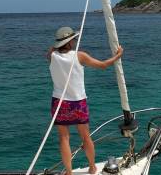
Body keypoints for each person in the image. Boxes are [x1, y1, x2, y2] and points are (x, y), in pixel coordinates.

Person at [47, 26, 123, 175]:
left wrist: (60, 43)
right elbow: (103, 65)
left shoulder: (51, 55)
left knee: (64, 138)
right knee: (85, 136)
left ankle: (69, 172)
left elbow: (53, 49)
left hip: (60, 102)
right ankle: (92, 166)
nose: (75, 41)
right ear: (69, 42)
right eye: (73, 39)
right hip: (78, 102)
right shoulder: (79, 56)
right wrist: (118, 55)